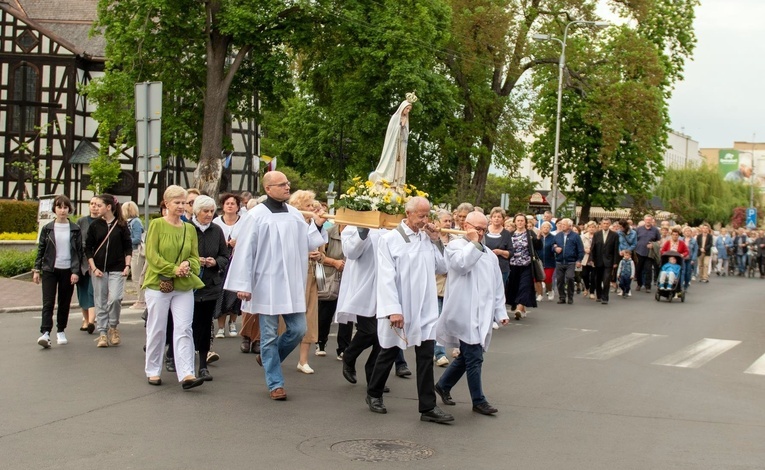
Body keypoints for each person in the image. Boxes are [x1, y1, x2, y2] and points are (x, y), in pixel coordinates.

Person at [224, 171, 327, 400]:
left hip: (291, 282)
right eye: (282, 185)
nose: (287, 187)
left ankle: (268, 357)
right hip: (266, 282)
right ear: (268, 189)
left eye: (288, 184)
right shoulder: (256, 215)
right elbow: (245, 251)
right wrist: (244, 284)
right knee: (268, 335)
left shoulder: (295, 214)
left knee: (298, 329)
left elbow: (309, 241)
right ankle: (275, 383)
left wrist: (318, 224)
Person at [366, 196, 453, 423]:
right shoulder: (389, 240)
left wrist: (437, 240)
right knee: (389, 350)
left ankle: (428, 407)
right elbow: (386, 278)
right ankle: (374, 393)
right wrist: (393, 309)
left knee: (425, 355)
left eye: (427, 215)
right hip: (401, 305)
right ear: (408, 213)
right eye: (421, 215)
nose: (425, 220)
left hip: (425, 307)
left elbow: (443, 267)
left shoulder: (427, 238)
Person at [434, 211, 510, 416]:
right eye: (477, 228)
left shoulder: (488, 254)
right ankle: (479, 400)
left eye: (483, 229)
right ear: (465, 225)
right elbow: (461, 265)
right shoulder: (456, 247)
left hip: (481, 314)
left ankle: (443, 385)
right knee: (474, 356)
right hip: (463, 313)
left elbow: (496, 286)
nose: (481, 233)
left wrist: (500, 311)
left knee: (469, 355)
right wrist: (474, 243)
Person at [142, 185, 206, 390]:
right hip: (159, 284)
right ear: (166, 203)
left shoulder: (189, 229)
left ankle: (187, 373)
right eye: (176, 202)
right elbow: (152, 255)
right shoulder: (157, 225)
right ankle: (153, 370)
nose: (181, 206)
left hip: (184, 285)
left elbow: (195, 257)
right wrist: (173, 269)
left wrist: (188, 265)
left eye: (184, 202)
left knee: (184, 328)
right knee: (157, 328)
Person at [33, 195, 82, 348]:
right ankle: (45, 332)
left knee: (64, 302)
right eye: (59, 207)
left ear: (69, 209)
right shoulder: (47, 228)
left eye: (65, 207)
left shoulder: (75, 229)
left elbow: (78, 252)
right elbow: (41, 249)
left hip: (68, 270)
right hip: (50, 269)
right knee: (48, 302)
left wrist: (76, 271)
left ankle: (61, 330)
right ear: (54, 209)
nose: (62, 210)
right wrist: (36, 269)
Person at [338, 225, 384, 386]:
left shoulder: (390, 224)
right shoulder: (352, 227)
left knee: (383, 335)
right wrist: (362, 232)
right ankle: (349, 356)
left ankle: (374, 375)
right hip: (362, 285)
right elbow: (350, 252)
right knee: (369, 330)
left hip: (385, 284)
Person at [190, 195, 229, 381]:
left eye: (211, 211)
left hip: (210, 286)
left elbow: (225, 255)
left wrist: (215, 262)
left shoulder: (217, 230)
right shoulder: (187, 229)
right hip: (189, 284)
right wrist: (194, 261)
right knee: (187, 324)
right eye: (205, 211)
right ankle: (181, 360)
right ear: (196, 212)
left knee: (205, 325)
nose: (209, 214)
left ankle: (203, 366)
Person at [85, 194, 132, 348]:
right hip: (98, 269)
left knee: (116, 298)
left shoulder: (121, 225)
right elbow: (88, 249)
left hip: (117, 268)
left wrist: (127, 266)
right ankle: (103, 333)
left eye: (99, 205)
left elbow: (128, 247)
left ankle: (113, 326)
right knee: (100, 301)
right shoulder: (94, 226)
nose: (96, 208)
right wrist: (93, 267)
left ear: (109, 207)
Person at [288, 191, 325, 375]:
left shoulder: (315, 225)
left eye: (313, 206)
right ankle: (277, 352)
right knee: (287, 318)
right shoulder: (292, 224)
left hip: (311, 276)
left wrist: (320, 256)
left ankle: (303, 360)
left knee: (310, 318)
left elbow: (322, 250)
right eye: (309, 206)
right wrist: (304, 254)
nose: (312, 209)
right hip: (294, 276)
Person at [369, 92, 417, 187]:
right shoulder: (395, 117)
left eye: (409, 109)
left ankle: (397, 182)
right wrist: (400, 126)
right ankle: (388, 179)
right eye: (407, 109)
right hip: (393, 146)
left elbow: (406, 134)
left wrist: (404, 127)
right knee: (390, 162)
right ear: (402, 108)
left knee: (400, 164)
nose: (408, 111)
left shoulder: (406, 119)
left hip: (401, 145)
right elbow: (391, 132)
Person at [212, 193, 243, 338]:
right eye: (227, 203)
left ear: (238, 207)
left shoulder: (243, 222)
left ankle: (232, 323)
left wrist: (238, 243)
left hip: (237, 261)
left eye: (233, 203)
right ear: (223, 206)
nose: (230, 206)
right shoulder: (217, 222)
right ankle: (220, 326)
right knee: (221, 293)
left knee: (235, 293)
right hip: (222, 262)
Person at [317, 222, 347, 358]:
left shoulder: (357, 233)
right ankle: (321, 342)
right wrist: (334, 262)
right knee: (326, 311)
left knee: (346, 313)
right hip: (330, 276)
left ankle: (344, 348)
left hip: (349, 277)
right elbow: (318, 255)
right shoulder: (329, 233)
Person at [504, 213, 541, 318]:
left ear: (525, 222)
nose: (520, 222)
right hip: (513, 265)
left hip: (527, 264)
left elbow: (538, 246)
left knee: (524, 286)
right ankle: (521, 307)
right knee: (514, 286)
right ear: (515, 222)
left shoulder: (530, 233)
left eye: (522, 220)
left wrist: (538, 239)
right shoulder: (510, 234)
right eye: (518, 220)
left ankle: (519, 308)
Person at [76, 197, 99, 334]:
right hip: (82, 262)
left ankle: (91, 321)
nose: (94, 207)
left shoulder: (103, 222)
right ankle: (85, 320)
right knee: (82, 291)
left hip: (97, 262)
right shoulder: (81, 221)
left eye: (97, 204)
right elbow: (76, 240)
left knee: (92, 291)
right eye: (92, 204)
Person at [552, 218, 584, 305]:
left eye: (564, 224)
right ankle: (562, 297)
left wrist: (579, 260)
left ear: (570, 226)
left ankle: (570, 297)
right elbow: (552, 246)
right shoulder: (558, 235)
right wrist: (555, 248)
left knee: (570, 278)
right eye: (561, 224)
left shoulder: (575, 236)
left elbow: (580, 249)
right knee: (559, 280)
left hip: (571, 261)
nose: (562, 226)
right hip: (559, 261)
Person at [590, 218, 620, 305]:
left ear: (609, 224)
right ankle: (599, 295)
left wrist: (615, 262)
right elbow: (593, 248)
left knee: (606, 279)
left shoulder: (614, 235)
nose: (605, 225)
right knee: (598, 279)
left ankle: (605, 297)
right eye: (604, 223)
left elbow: (615, 249)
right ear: (601, 224)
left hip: (609, 261)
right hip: (598, 260)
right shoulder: (597, 234)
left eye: (607, 223)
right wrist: (592, 259)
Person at [122, 201, 146, 309]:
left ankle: (141, 301)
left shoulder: (135, 222)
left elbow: (137, 238)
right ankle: (140, 299)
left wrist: (124, 241)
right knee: (136, 277)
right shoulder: (129, 222)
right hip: (131, 251)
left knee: (137, 277)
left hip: (136, 252)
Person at [634, 215, 661, 292]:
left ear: (652, 220)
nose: (648, 221)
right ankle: (639, 284)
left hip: (649, 253)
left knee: (648, 269)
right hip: (639, 252)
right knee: (638, 269)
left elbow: (659, 241)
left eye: (649, 220)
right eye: (647, 220)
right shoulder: (638, 229)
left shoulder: (655, 230)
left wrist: (653, 244)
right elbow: (635, 239)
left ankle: (647, 286)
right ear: (644, 220)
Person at [537, 221, 557, 301]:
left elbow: (555, 246)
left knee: (547, 278)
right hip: (539, 261)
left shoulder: (553, 237)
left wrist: (555, 248)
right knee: (537, 279)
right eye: (544, 227)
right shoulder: (538, 237)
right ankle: (539, 294)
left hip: (550, 261)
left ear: (550, 229)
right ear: (541, 228)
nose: (545, 229)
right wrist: (538, 238)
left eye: (547, 227)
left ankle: (550, 290)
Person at [580, 221, 597, 300]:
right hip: (585, 258)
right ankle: (587, 287)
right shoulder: (583, 236)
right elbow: (580, 245)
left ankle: (592, 292)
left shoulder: (597, 236)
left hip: (594, 258)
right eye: (590, 227)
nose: (591, 229)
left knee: (593, 276)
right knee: (584, 274)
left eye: (593, 227)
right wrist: (584, 249)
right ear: (587, 228)